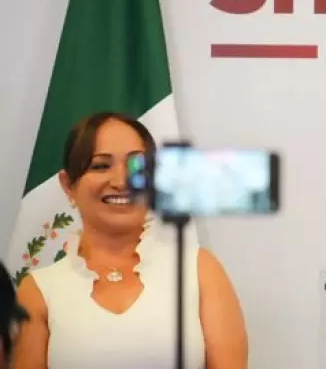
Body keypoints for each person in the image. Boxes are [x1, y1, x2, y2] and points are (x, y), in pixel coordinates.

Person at [12, 112, 248, 368]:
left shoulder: (199, 269)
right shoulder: (38, 290)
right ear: (68, 185)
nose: (121, 181)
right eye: (101, 166)